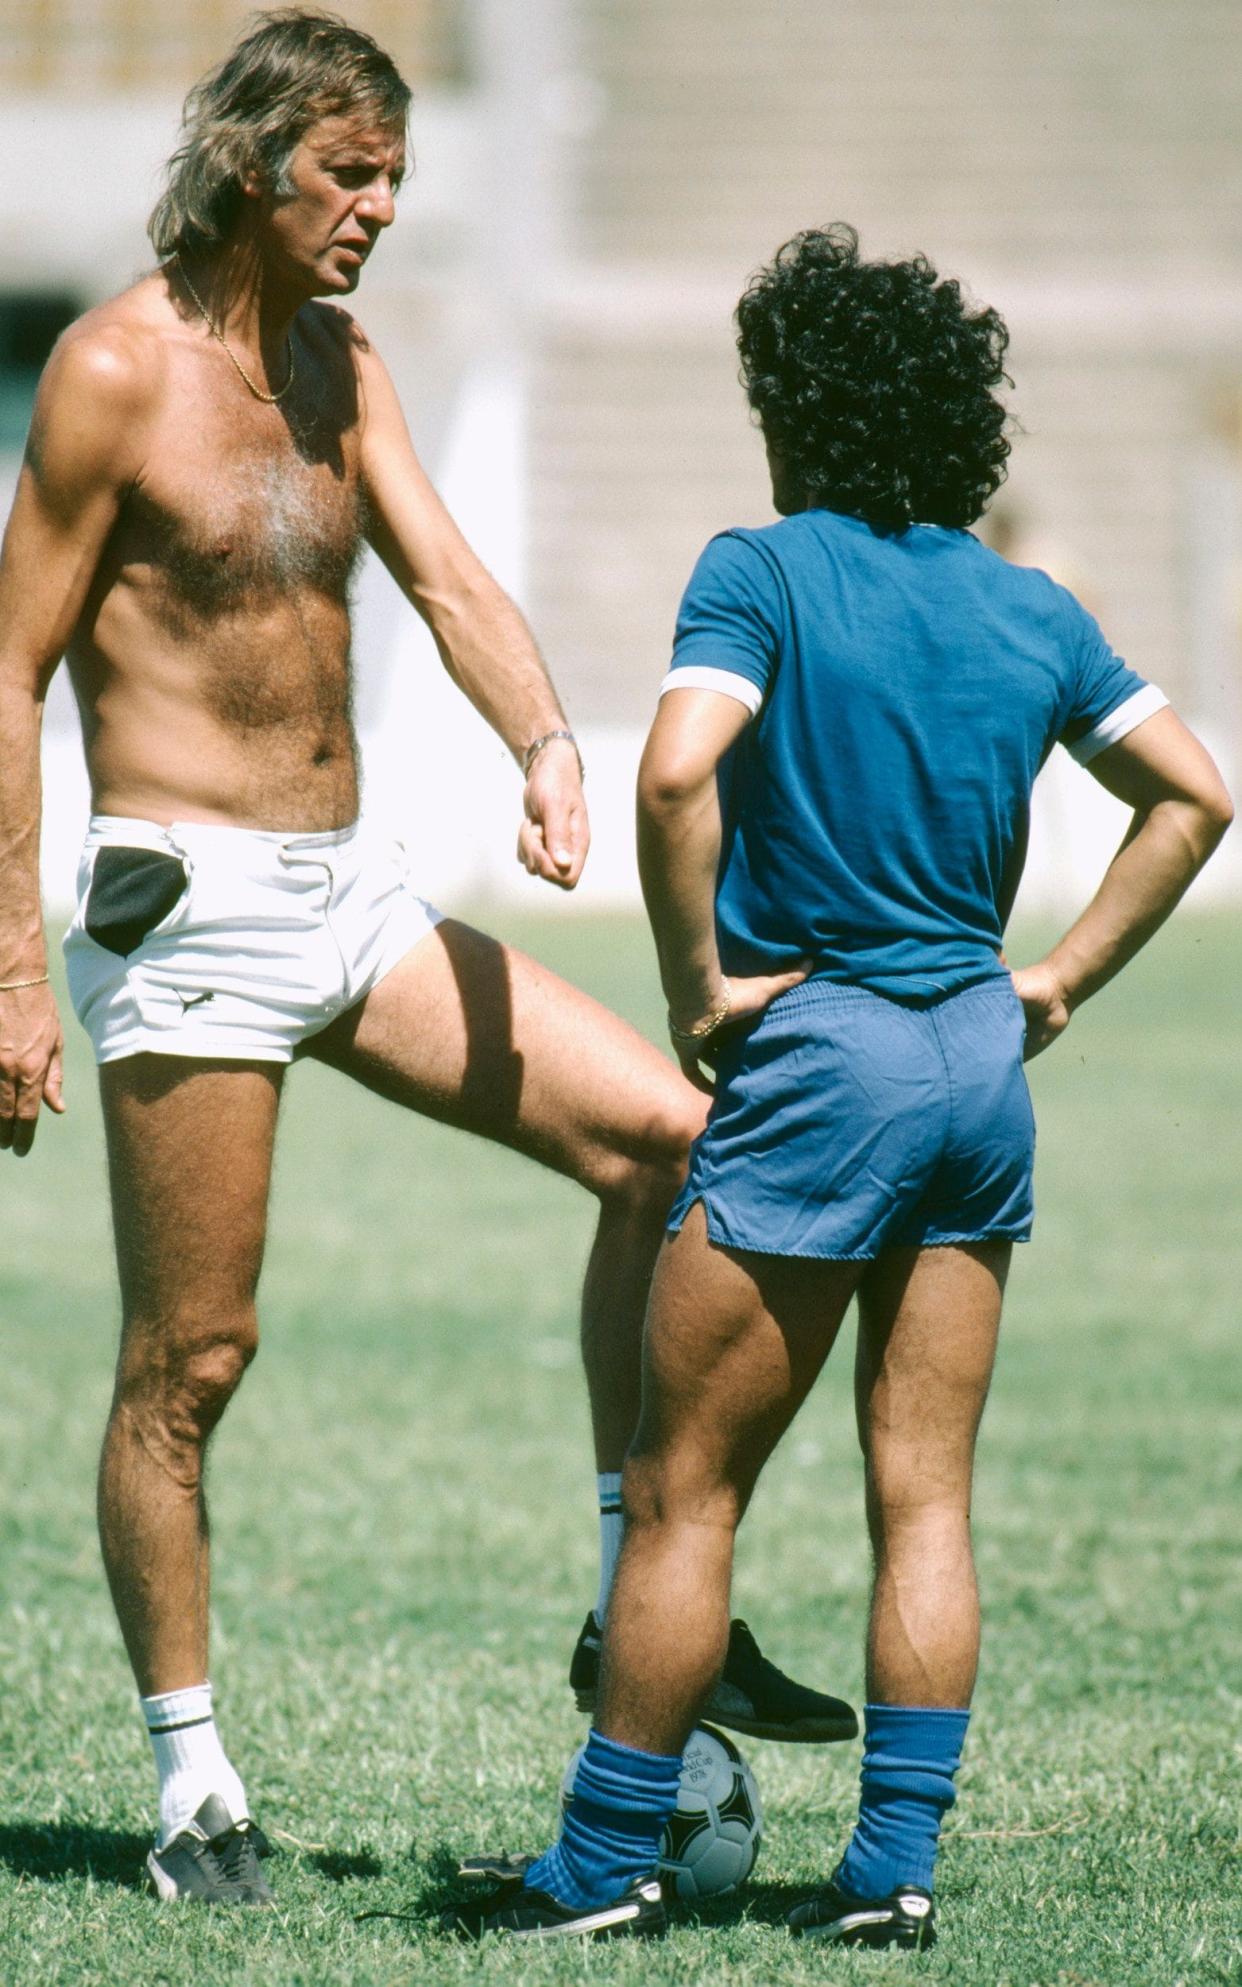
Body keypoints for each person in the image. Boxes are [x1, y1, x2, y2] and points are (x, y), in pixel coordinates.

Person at [0, 15, 854, 1907]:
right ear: (251, 167)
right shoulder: (109, 373)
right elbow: (8, 670)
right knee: (192, 1359)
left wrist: (546, 741)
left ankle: (644, 1598)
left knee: (666, 1143)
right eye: (348, 176)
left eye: (392, 176)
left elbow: (449, 576)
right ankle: (193, 1786)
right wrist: (7, 966)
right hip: (181, 907)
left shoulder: (340, 357)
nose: (377, 210)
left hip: (353, 895)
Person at [457, 224, 1233, 1944]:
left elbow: (672, 779)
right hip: (975, 1063)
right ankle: (890, 1878)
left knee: (683, 1493)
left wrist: (693, 991)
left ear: (788, 407)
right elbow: (1193, 794)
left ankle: (596, 1872)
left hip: (822, 1062)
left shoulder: (760, 568)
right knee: (925, 1495)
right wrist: (1055, 979)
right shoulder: (1028, 603)